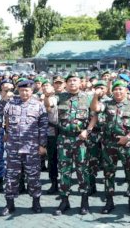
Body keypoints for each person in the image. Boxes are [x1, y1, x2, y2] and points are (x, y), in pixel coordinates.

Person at [0, 80, 48, 217]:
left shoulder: (39, 106)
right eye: (22, 90)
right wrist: (4, 97)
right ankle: (10, 204)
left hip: (32, 148)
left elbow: (43, 127)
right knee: (11, 177)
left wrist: (42, 145)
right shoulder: (11, 103)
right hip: (13, 147)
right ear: (18, 91)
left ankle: (36, 202)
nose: (24, 93)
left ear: (32, 91)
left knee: (33, 177)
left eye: (27, 90)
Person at [91, 80, 130, 214]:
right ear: (112, 91)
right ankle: (109, 202)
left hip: (127, 144)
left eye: (121, 89)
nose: (118, 91)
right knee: (108, 174)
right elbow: (95, 109)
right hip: (109, 144)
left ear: (126, 91)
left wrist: (128, 137)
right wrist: (96, 96)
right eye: (116, 89)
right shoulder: (106, 104)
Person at [51, 73, 94, 216]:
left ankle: (84, 201)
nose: (72, 83)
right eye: (69, 81)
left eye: (74, 80)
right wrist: (47, 96)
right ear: (65, 84)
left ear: (80, 82)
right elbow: (48, 105)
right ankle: (64, 201)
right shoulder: (59, 97)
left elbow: (94, 116)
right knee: (64, 171)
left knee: (82, 171)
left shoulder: (87, 97)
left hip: (80, 140)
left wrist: (87, 131)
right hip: (64, 139)